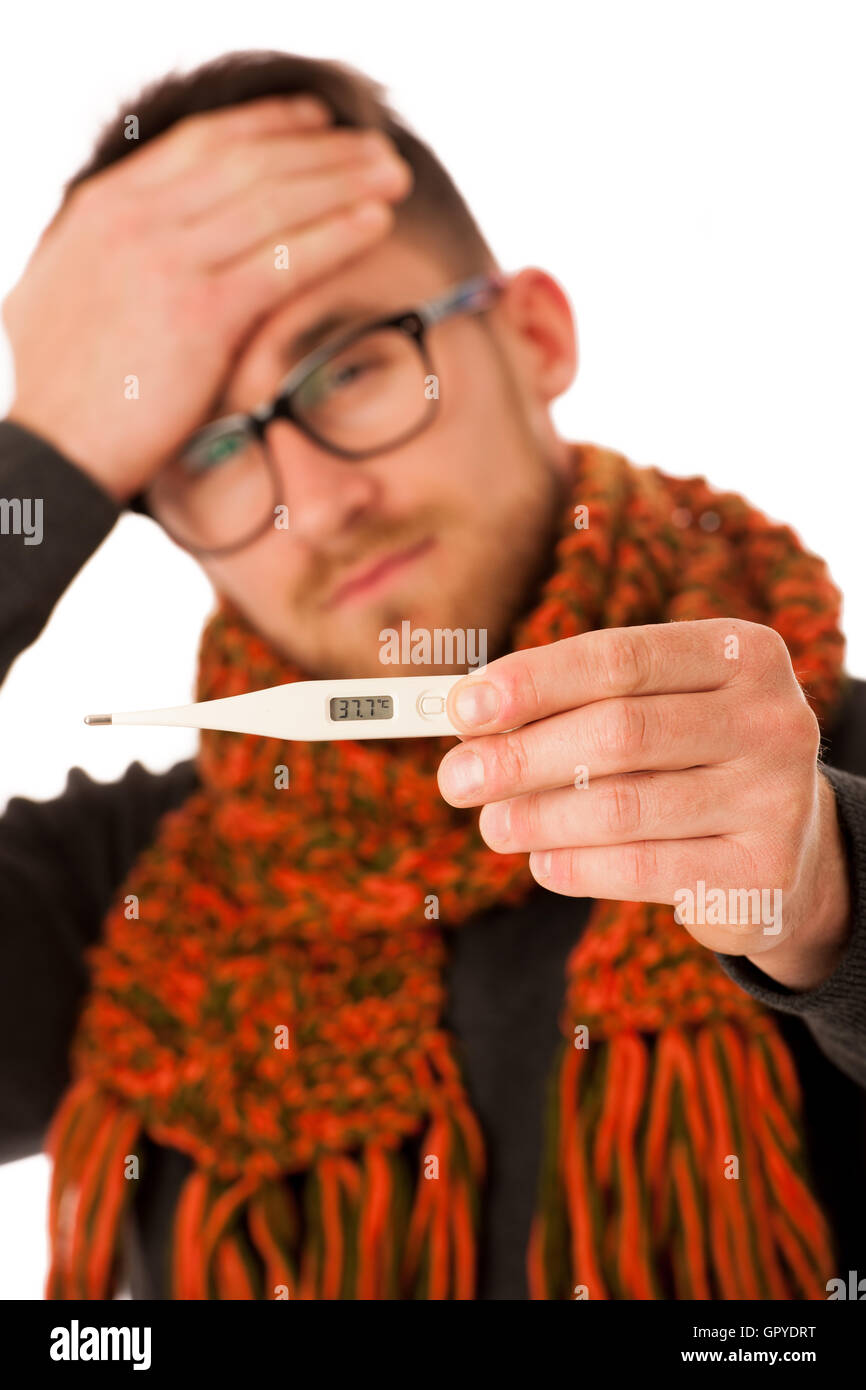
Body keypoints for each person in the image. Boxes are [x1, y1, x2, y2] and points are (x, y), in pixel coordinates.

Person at [1, 50, 864, 1302]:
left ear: (533, 335)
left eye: (348, 361)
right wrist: (41, 456)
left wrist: (833, 905)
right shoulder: (114, 906)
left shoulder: (826, 790)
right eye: (209, 447)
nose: (318, 502)